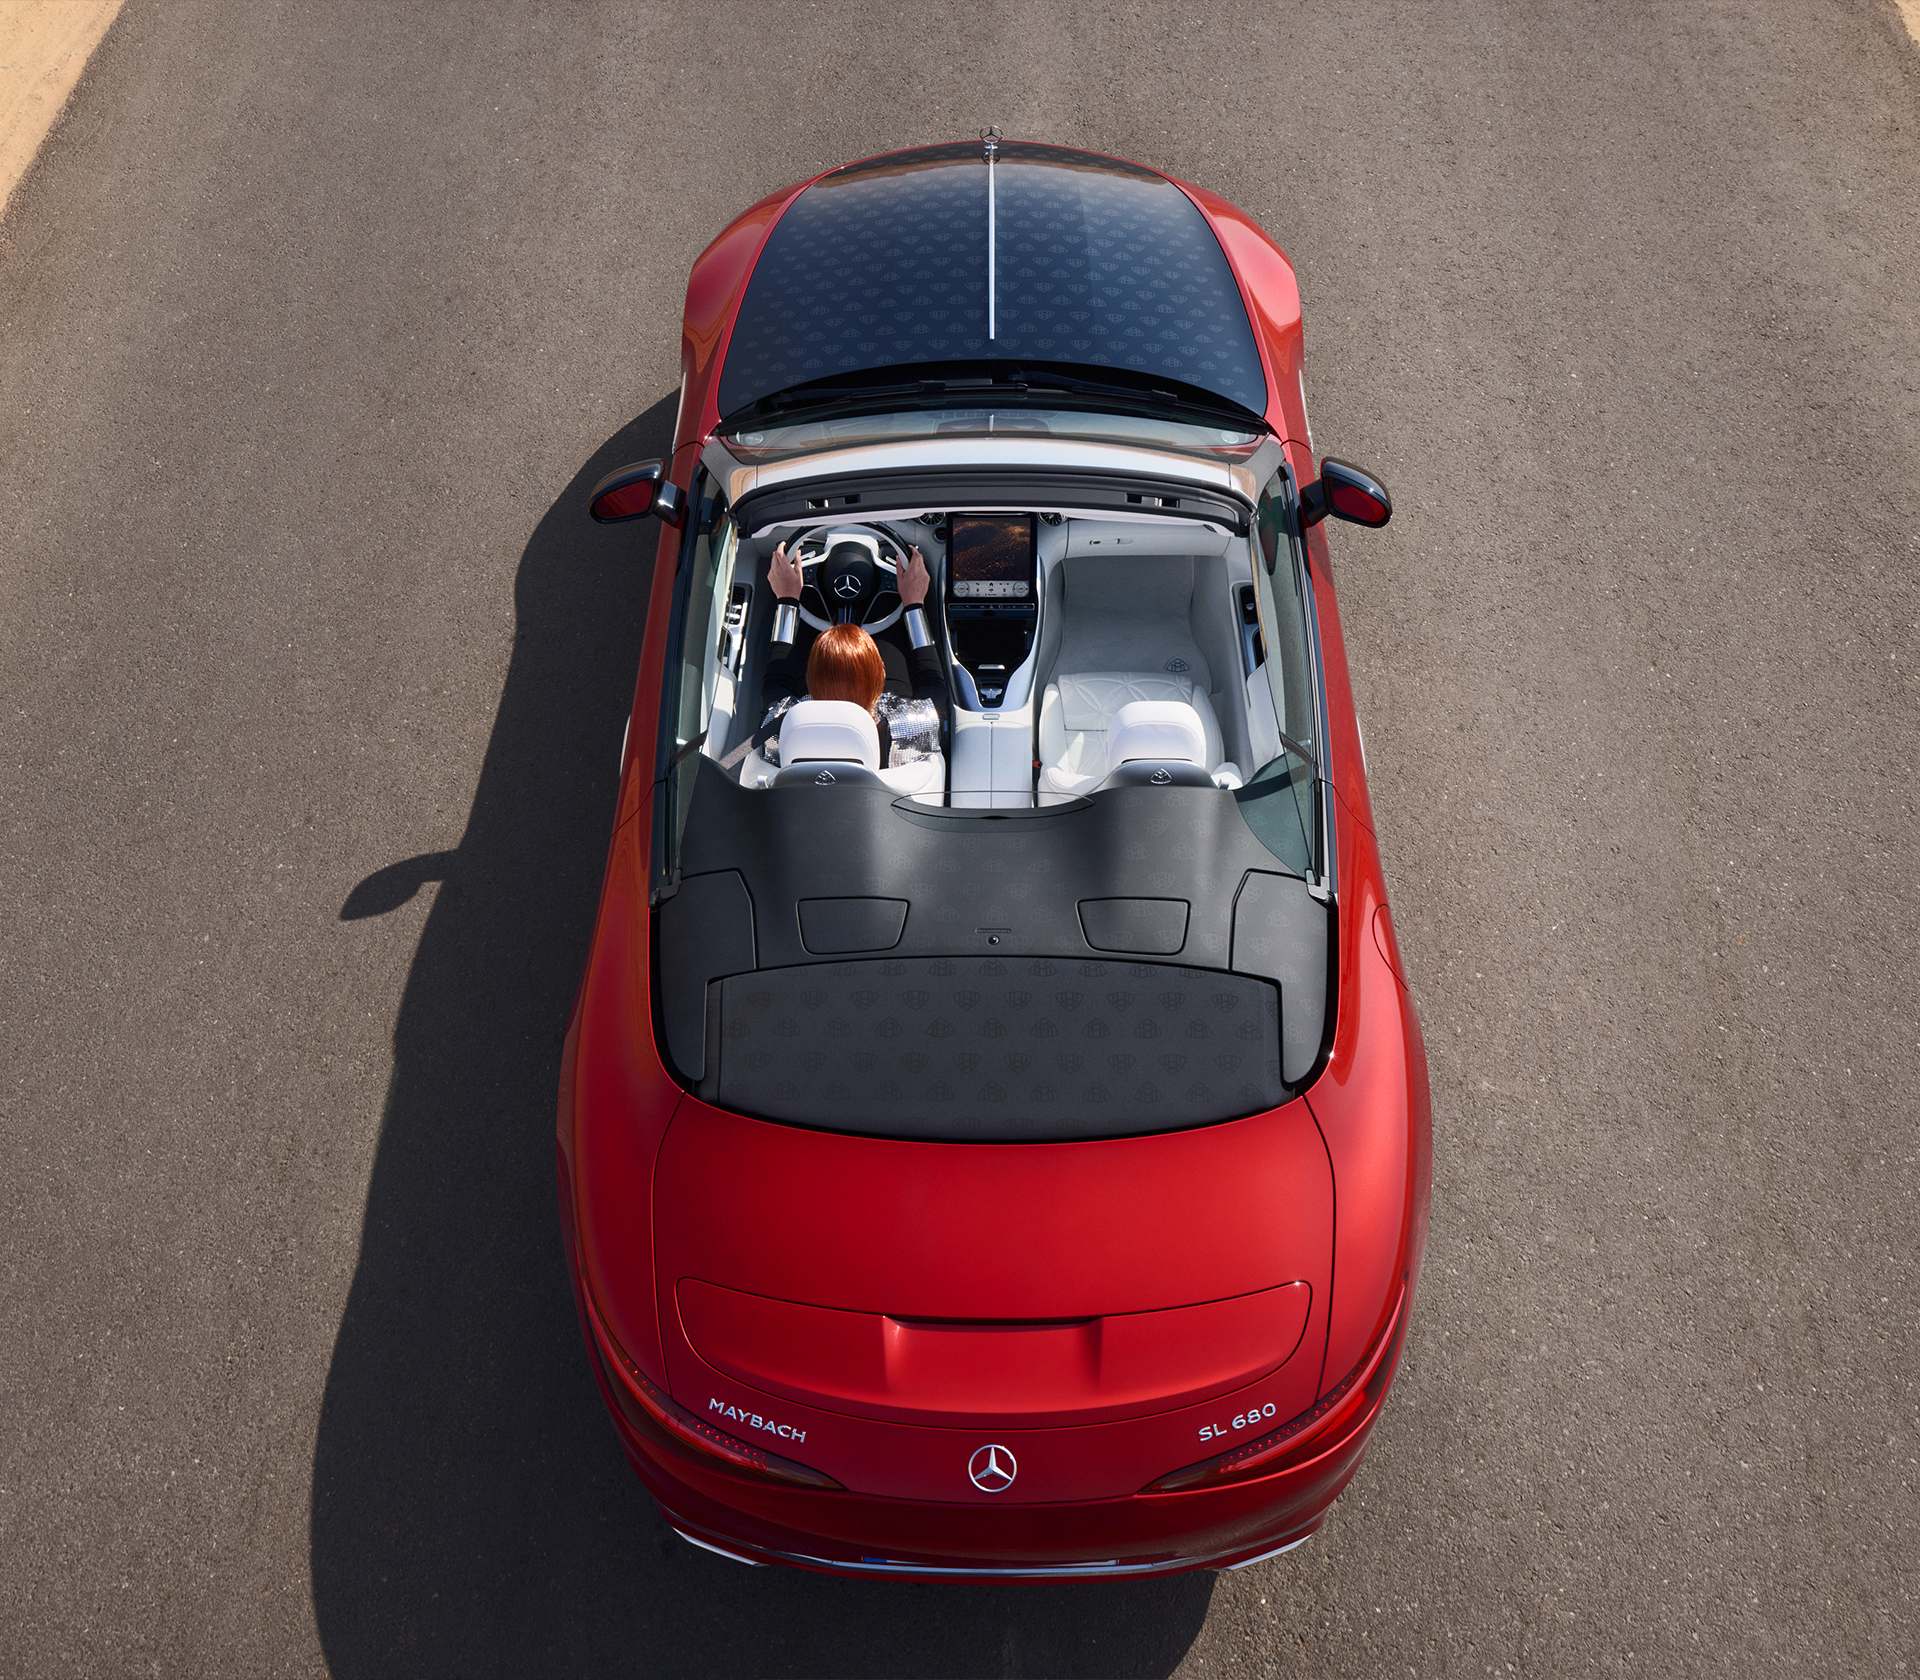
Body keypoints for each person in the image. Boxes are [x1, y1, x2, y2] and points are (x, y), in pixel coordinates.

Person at [758, 540, 946, 769]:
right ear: (882, 674)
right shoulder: (909, 727)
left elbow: (776, 680)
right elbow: (932, 684)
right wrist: (914, 602)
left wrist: (786, 599)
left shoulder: (779, 728)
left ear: (808, 678)